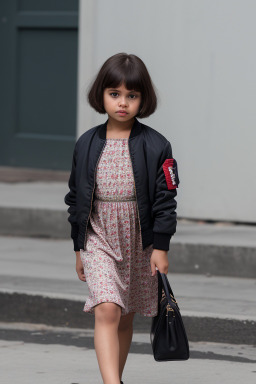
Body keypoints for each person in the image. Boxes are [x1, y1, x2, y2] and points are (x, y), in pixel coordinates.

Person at [64, 53, 179, 384]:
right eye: (115, 94)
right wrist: (78, 247)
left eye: (132, 95)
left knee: (125, 316)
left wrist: (161, 246)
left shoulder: (157, 144)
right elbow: (76, 198)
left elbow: (165, 199)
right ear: (101, 95)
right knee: (107, 309)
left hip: (138, 242)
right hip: (99, 237)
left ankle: (116, 376)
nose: (123, 103)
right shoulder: (86, 143)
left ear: (143, 99)